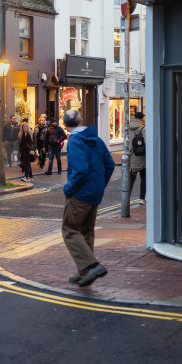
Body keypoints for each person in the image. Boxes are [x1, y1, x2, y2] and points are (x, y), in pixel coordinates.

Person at [61, 109, 115, 287]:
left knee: (69, 229)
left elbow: (81, 169)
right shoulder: (96, 139)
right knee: (86, 231)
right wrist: (100, 184)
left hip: (80, 194)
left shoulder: (75, 141)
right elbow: (109, 163)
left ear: (65, 124)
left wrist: (69, 188)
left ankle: (90, 266)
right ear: (81, 120)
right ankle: (85, 271)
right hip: (95, 192)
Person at [126, 111, 146, 202]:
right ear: (141, 118)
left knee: (131, 179)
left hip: (132, 155)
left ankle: (126, 198)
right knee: (144, 178)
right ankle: (142, 198)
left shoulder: (129, 127)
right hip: (142, 157)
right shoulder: (143, 129)